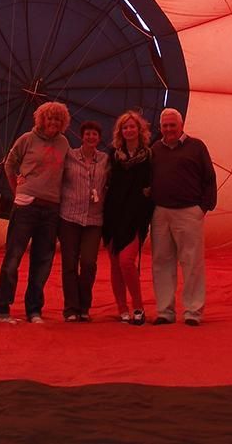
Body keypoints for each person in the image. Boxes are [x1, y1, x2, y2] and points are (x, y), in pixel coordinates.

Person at [0, 101, 70, 324]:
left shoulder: (64, 143)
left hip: (51, 208)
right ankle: (2, 307)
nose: (53, 122)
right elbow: (9, 164)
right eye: (50, 118)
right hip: (26, 206)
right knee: (14, 257)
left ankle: (34, 309)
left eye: (58, 119)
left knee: (43, 261)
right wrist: (17, 190)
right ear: (42, 119)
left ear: (63, 122)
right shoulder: (27, 139)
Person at [150, 108, 217, 327]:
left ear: (181, 126)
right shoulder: (156, 149)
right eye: (165, 126)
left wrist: (203, 207)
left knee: (192, 261)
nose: (168, 129)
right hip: (160, 212)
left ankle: (193, 311)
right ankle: (165, 311)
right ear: (160, 128)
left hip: (188, 211)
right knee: (162, 262)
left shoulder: (196, 147)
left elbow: (209, 178)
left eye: (172, 125)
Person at [102, 110, 153, 326]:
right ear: (120, 131)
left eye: (132, 126)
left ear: (139, 130)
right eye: (125, 127)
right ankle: (122, 309)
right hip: (113, 215)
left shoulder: (149, 155)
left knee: (126, 261)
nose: (129, 130)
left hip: (135, 217)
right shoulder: (112, 154)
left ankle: (138, 307)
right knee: (115, 263)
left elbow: (153, 184)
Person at [58, 121, 109, 322]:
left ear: (99, 138)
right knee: (69, 264)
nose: (90, 137)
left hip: (94, 220)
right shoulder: (69, 156)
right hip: (69, 217)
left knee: (88, 263)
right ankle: (71, 308)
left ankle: (84, 305)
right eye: (87, 134)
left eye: (94, 134)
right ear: (81, 136)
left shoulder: (105, 159)